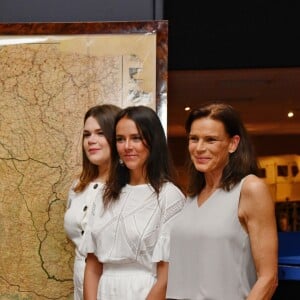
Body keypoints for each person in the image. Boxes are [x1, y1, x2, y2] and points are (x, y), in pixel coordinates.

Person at [166, 102, 278, 300]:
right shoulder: (192, 196)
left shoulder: (250, 189)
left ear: (233, 143)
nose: (199, 148)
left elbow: (268, 278)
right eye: (194, 139)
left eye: (211, 140)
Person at [81, 105, 186, 300]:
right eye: (120, 139)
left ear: (153, 142)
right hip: (105, 290)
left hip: (145, 292)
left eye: (136, 138)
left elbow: (167, 277)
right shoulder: (104, 194)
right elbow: (93, 266)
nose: (127, 146)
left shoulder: (169, 196)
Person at [64, 104, 121, 300]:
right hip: (81, 287)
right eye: (87, 135)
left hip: (117, 289)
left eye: (100, 133)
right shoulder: (78, 187)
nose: (91, 141)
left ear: (116, 138)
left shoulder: (128, 188)